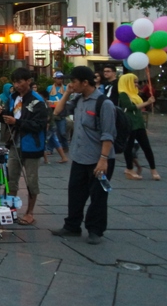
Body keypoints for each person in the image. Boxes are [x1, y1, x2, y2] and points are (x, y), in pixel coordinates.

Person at [52, 66, 117, 245]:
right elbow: (58, 112)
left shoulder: (104, 104)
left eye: (73, 81)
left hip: (99, 159)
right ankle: (72, 225)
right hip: (80, 157)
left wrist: (103, 160)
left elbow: (108, 134)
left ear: (85, 82)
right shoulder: (79, 100)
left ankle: (95, 230)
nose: (70, 84)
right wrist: (67, 93)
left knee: (98, 196)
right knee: (75, 193)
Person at [0, 67, 47, 226]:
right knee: (11, 177)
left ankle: (30, 212)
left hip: (32, 145)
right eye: (14, 82)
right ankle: (11, 210)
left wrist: (16, 122)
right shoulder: (12, 97)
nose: (17, 85)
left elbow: (39, 125)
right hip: (14, 143)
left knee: (31, 179)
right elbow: (8, 119)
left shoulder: (38, 100)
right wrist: (0, 114)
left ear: (29, 81)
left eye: (20, 82)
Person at [118, 74, 159, 181]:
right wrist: (147, 102)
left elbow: (138, 110)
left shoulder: (135, 94)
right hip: (130, 124)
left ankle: (153, 169)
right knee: (129, 146)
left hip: (139, 124)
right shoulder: (123, 94)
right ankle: (129, 168)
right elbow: (129, 107)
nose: (136, 84)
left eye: (136, 82)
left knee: (146, 147)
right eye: (134, 82)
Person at [45, 72, 70, 164]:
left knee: (62, 132)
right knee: (51, 132)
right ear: (54, 79)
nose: (60, 80)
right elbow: (47, 98)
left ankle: (65, 145)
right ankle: (50, 149)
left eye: (61, 78)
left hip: (62, 112)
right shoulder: (49, 88)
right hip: (51, 111)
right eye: (58, 78)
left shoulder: (65, 88)